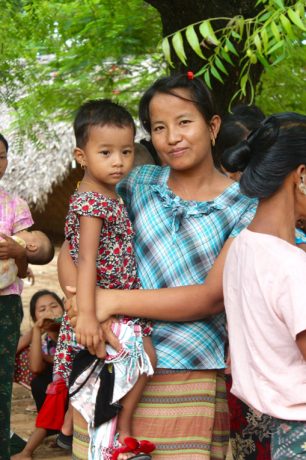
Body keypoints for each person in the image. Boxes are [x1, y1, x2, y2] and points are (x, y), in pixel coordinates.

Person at [60, 73, 258, 460]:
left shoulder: (244, 206)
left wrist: (106, 301)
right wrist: (87, 311)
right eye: (159, 128)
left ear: (212, 126)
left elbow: (209, 298)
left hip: (189, 372)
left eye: (185, 122)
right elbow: (75, 250)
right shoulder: (135, 184)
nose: (172, 137)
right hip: (110, 358)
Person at [56, 99, 155, 459]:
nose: (119, 161)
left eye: (126, 152)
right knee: (131, 361)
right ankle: (115, 437)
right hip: (103, 301)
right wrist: (86, 313)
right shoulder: (92, 201)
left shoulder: (108, 194)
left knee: (140, 361)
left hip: (118, 296)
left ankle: (121, 435)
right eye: (106, 152)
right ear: (81, 156)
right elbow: (84, 257)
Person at [221, 112, 306, 459]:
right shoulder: (292, 266)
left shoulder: (240, 247)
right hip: (296, 430)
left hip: (252, 430)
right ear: (301, 176)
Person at [0, 132, 34, 460]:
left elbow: (24, 269)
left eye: (0, 155)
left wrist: (16, 250)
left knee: (0, 382)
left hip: (4, 304)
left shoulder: (15, 206)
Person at [12, 290, 65, 460]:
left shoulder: (73, 329)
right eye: (42, 310)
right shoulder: (44, 342)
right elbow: (35, 367)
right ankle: (55, 430)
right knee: (39, 382)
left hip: (75, 385)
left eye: (54, 306)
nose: (50, 312)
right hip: (57, 387)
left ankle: (59, 432)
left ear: (64, 308)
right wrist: (36, 330)